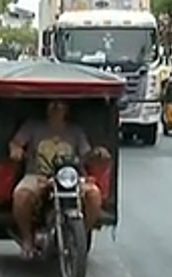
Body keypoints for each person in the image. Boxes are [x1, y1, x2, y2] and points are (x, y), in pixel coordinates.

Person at [9, 100, 109, 259]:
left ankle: (80, 234)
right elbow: (15, 143)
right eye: (52, 105)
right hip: (39, 175)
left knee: (94, 195)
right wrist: (16, 150)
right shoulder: (33, 126)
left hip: (70, 177)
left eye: (60, 105)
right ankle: (27, 239)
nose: (56, 109)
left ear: (67, 109)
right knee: (21, 195)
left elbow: (86, 154)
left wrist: (97, 153)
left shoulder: (75, 131)